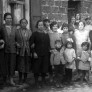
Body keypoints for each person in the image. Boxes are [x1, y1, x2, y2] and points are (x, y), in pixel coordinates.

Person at [29, 20, 50, 87]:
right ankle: (36, 82)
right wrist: (33, 52)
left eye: (42, 25)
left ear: (44, 26)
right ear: (37, 26)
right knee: (37, 69)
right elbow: (31, 44)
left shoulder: (46, 34)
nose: (41, 26)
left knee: (44, 68)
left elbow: (48, 44)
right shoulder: (34, 34)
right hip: (37, 54)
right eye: (39, 25)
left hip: (45, 54)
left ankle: (43, 81)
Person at [1, 13, 17, 85]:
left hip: (13, 49)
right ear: (4, 19)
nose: (9, 19)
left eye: (10, 18)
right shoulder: (2, 28)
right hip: (4, 50)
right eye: (7, 18)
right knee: (5, 65)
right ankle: (5, 80)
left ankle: (11, 80)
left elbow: (17, 38)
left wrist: (17, 43)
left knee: (12, 65)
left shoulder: (14, 28)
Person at [15, 18, 32, 84]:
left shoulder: (29, 31)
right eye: (22, 23)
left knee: (26, 65)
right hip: (20, 51)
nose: (24, 24)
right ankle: (20, 79)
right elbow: (14, 40)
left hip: (27, 50)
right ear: (20, 24)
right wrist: (16, 43)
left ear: (27, 24)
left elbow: (31, 40)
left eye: (25, 23)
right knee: (20, 65)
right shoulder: (17, 31)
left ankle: (25, 78)